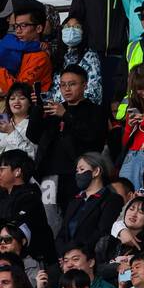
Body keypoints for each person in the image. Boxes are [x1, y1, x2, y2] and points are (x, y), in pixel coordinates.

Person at [41, 68, 110, 209]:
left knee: (73, 215)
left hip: (78, 173)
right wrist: (36, 109)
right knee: (48, 216)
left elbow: (93, 137)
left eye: (72, 84)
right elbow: (34, 136)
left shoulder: (96, 110)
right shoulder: (55, 109)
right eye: (62, 85)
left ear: (84, 85)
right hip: (51, 174)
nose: (66, 89)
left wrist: (66, 115)